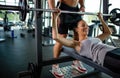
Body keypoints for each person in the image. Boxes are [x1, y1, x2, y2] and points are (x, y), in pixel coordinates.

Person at [52, 12, 120, 75]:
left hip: (115, 49)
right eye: (83, 25)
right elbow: (56, 37)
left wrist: (101, 18)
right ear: (76, 29)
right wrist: (55, 17)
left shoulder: (95, 38)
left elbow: (108, 33)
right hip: (106, 56)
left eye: (87, 26)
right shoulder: (77, 44)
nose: (86, 27)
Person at [48, 0, 86, 77]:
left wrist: (82, 5)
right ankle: (55, 65)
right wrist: (53, 10)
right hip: (62, 8)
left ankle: (76, 61)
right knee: (61, 38)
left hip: (76, 10)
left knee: (78, 35)